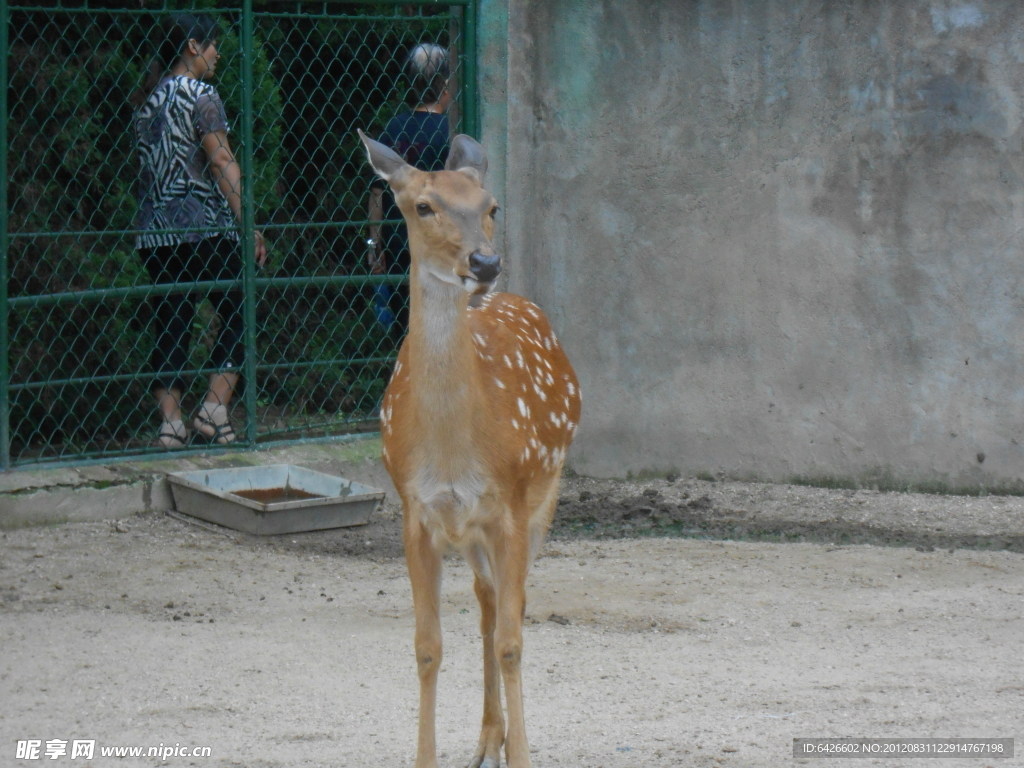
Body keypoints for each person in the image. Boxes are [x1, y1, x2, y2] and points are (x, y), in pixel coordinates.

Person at [134, 13, 266, 448]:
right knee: (244, 302)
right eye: (212, 46)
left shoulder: (147, 101)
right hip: (203, 229)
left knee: (172, 318)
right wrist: (249, 225)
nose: (218, 53)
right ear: (193, 47)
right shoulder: (201, 94)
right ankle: (213, 409)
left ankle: (171, 425)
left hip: (156, 235)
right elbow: (221, 160)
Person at [367, 43, 452, 336]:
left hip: (399, 242)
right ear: (446, 85)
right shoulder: (451, 131)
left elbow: (378, 192)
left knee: (406, 328)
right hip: (441, 246)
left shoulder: (393, 128)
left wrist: (374, 245)